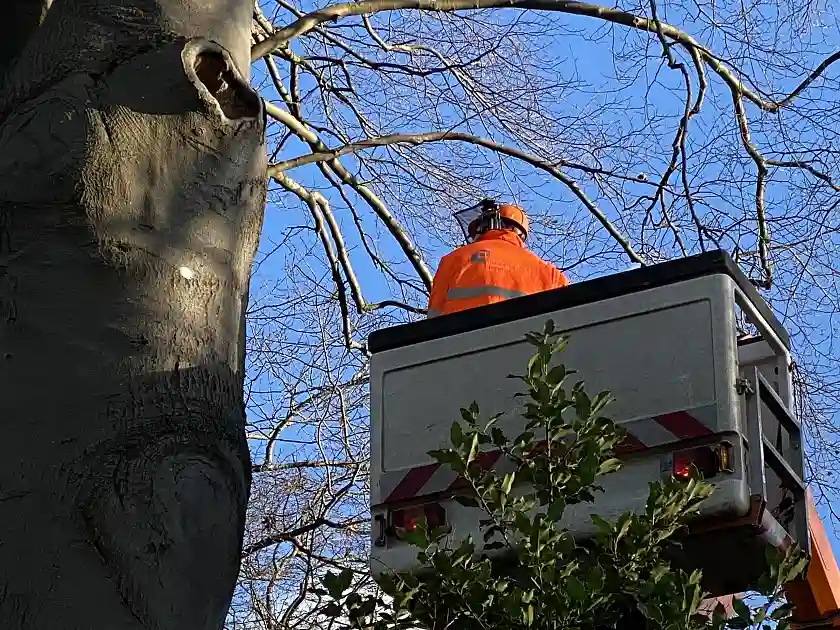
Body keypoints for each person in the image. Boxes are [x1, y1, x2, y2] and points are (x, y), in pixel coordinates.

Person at [427, 201, 568, 318]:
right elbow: (565, 319)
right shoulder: (550, 274)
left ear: (488, 225)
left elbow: (433, 317)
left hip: (460, 343)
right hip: (524, 346)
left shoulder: (455, 259)